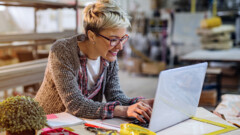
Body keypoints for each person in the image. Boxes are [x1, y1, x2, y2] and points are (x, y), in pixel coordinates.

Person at [35, 0, 154, 123]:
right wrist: (124, 110)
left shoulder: (108, 56)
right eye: (113, 39)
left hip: (78, 123)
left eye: (122, 39)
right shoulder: (62, 51)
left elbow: (115, 96)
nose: (120, 47)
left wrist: (140, 104)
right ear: (92, 36)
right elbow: (75, 104)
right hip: (47, 123)